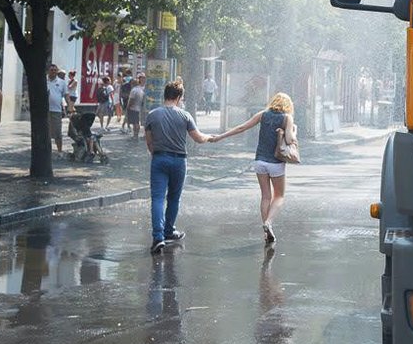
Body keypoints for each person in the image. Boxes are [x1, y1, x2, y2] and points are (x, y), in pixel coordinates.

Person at [211, 92, 296, 244]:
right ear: (287, 105)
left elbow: (241, 128)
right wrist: (292, 132)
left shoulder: (263, 114)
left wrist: (219, 137)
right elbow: (289, 139)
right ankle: (268, 223)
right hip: (276, 163)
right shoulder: (287, 118)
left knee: (265, 196)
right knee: (279, 196)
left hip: (259, 162)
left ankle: (266, 232)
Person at [145, 81, 212, 254]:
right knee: (174, 198)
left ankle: (158, 237)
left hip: (159, 159)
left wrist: (157, 154)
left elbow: (149, 142)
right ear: (179, 97)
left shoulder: (152, 115)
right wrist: (209, 137)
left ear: (165, 95)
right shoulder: (185, 116)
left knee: (158, 198)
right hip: (179, 161)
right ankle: (169, 230)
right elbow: (198, 138)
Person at [46, 63, 70, 154]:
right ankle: (46, 151)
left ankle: (60, 151)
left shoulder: (61, 82)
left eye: (55, 70)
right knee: (45, 133)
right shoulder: (43, 80)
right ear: (48, 71)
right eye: (51, 70)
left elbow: (66, 95)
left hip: (57, 110)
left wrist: (70, 107)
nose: (53, 72)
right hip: (45, 111)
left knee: (57, 133)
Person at [126, 72, 146, 141]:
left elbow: (131, 100)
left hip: (134, 108)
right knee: (137, 122)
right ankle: (136, 135)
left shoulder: (134, 90)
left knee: (135, 123)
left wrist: (128, 107)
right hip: (140, 108)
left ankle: (135, 135)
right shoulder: (142, 90)